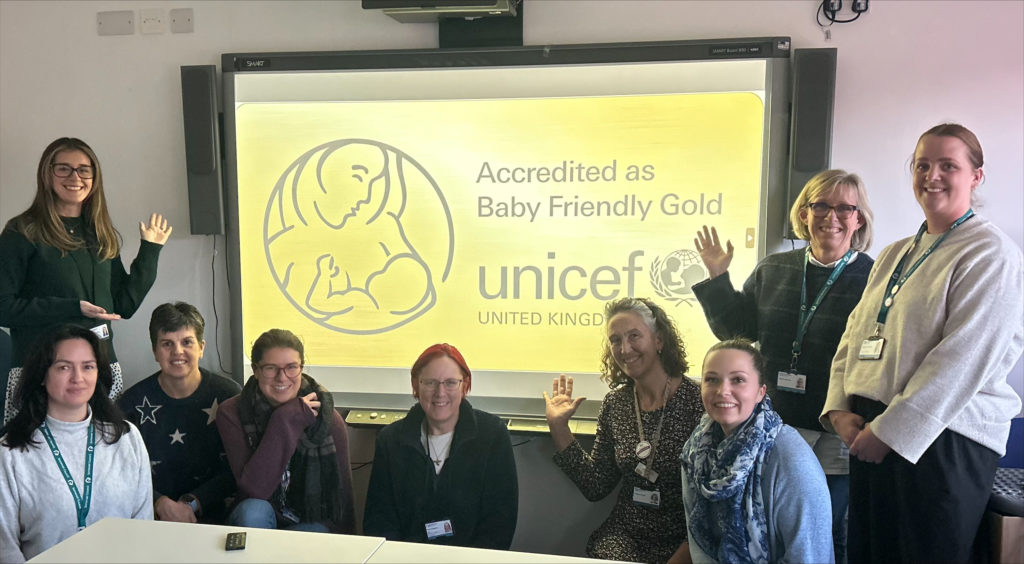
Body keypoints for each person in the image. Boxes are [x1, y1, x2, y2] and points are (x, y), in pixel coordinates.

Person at [821, 123, 1023, 563]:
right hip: (873, 429)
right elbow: (855, 334)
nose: (931, 175)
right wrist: (839, 407)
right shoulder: (895, 254)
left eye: (948, 165)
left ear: (976, 176)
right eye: (922, 165)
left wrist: (891, 432)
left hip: (943, 437)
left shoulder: (990, 253)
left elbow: (964, 359)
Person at [692, 169, 874, 563]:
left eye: (845, 207)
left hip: (835, 428)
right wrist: (718, 277)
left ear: (859, 219)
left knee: (824, 533)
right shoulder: (773, 269)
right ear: (804, 214)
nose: (832, 216)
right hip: (773, 423)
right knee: (766, 530)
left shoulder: (873, 278)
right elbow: (735, 331)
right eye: (821, 205)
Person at [0, 137, 172, 425]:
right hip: (41, 372)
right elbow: (4, 307)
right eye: (64, 169)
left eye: (84, 170)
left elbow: (122, 306)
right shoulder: (22, 232)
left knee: (98, 461)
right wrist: (72, 308)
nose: (75, 177)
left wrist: (150, 251)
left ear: (95, 177)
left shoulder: (99, 233)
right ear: (47, 173)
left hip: (100, 371)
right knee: (41, 463)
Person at [544, 297, 704, 563]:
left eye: (634, 336)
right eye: (615, 340)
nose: (624, 349)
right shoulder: (616, 403)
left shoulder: (698, 400)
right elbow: (596, 485)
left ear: (659, 340)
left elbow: (712, 503)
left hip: (685, 539)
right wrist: (559, 428)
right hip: (625, 537)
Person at [0, 325, 152, 563]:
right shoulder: (11, 451)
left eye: (88, 367)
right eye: (63, 367)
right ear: (42, 375)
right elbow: (5, 547)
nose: (78, 378)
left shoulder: (126, 437)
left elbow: (143, 526)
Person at [681, 339, 833, 564]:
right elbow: (699, 544)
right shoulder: (695, 451)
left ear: (761, 392)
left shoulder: (789, 455)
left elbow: (809, 555)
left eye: (738, 380)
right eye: (712, 379)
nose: (723, 391)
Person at [363, 343, 518, 548]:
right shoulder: (391, 440)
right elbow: (379, 520)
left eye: (451, 382)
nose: (440, 392)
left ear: (465, 385)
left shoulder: (492, 435)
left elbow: (500, 522)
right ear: (416, 385)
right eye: (430, 382)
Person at [215, 328, 355, 533]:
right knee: (252, 512)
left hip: (311, 516)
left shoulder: (327, 417)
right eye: (271, 368)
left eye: (291, 367)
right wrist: (285, 419)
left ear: (302, 368)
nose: (282, 377)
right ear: (255, 369)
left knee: (313, 534)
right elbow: (254, 489)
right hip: (263, 510)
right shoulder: (232, 413)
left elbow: (343, 497)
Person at [118, 302, 242, 524]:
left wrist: (193, 503)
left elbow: (241, 465)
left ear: (201, 347)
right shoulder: (131, 402)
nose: (177, 352)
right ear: (155, 351)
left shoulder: (230, 395)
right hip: (150, 517)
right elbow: (121, 470)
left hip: (220, 514)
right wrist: (159, 502)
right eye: (167, 344)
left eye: (187, 342)